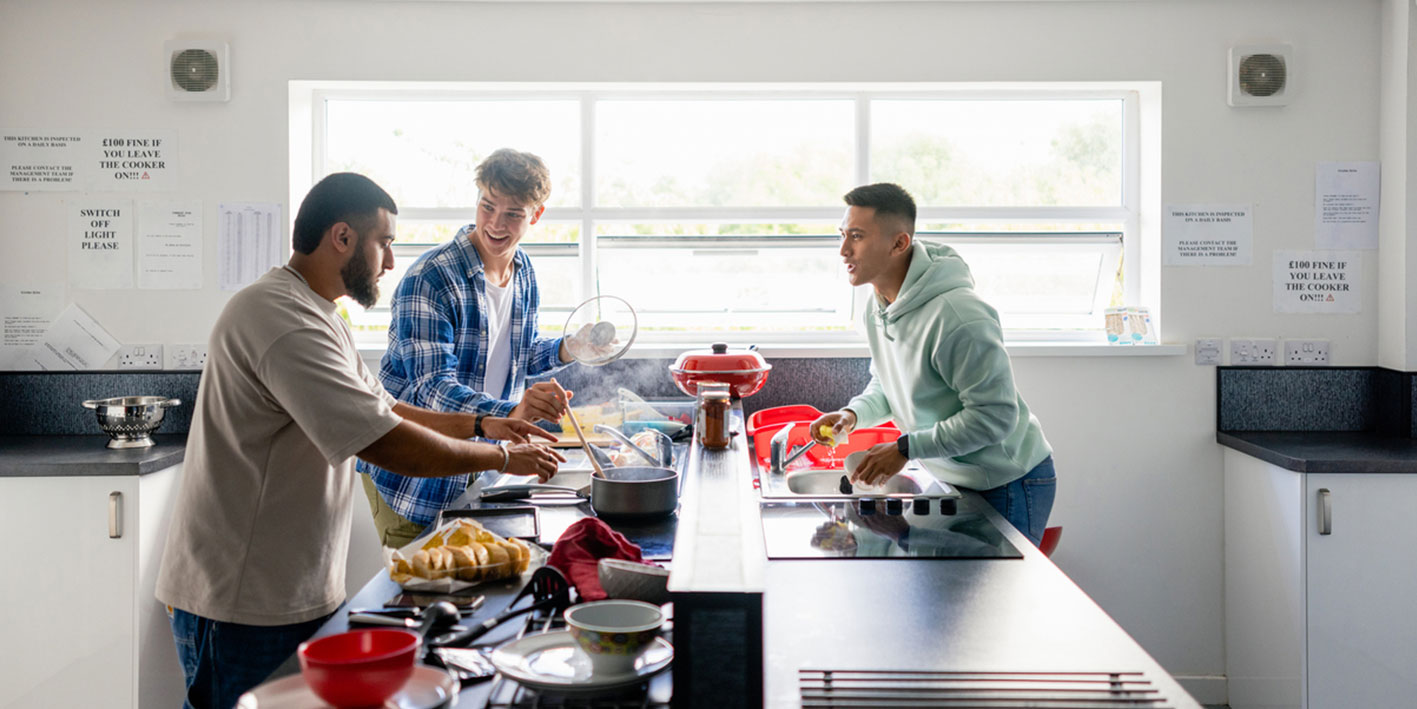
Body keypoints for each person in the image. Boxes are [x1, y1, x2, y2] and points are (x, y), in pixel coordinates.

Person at [154, 172, 565, 709]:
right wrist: (505, 457)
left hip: (282, 586)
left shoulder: (318, 312)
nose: (391, 262)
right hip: (239, 594)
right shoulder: (282, 320)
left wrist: (484, 424)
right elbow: (384, 441)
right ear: (342, 238)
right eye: (385, 243)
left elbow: (387, 407)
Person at [358, 148, 584, 549]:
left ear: (536, 215)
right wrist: (511, 414)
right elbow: (433, 390)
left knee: (474, 590)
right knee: (422, 594)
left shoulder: (524, 272)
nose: (496, 224)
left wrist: (569, 348)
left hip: (482, 464)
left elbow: (518, 355)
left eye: (513, 213)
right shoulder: (431, 278)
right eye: (487, 206)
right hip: (415, 476)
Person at [810, 183, 1056, 546]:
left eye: (857, 237)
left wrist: (906, 448)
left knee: (993, 600)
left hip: (1007, 482)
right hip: (951, 474)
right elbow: (888, 383)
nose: (844, 249)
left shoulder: (960, 317)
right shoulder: (877, 305)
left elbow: (995, 416)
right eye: (842, 235)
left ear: (899, 243)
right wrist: (853, 415)